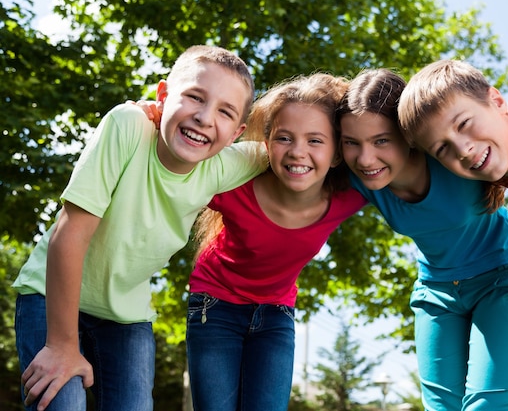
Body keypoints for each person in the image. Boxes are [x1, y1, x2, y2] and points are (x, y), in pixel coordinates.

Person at [336, 68, 508, 411]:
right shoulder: (371, 174)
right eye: (353, 143)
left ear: (407, 137)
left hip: (501, 277)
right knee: (441, 406)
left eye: (381, 140)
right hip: (436, 290)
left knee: (487, 405)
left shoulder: (457, 150)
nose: (366, 158)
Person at [12, 45, 268, 411]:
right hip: (50, 295)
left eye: (225, 112)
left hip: (125, 316)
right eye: (194, 97)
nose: (205, 117)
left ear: (236, 133)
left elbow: (295, 149)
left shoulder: (223, 166)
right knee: (62, 401)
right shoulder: (128, 126)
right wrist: (62, 346)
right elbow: (70, 233)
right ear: (162, 96)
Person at [138, 73, 367, 410]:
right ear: (267, 141)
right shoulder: (232, 186)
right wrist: (144, 119)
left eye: (315, 141)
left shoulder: (349, 196)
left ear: (336, 153)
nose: (297, 152)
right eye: (284, 138)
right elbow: (169, 168)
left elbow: (401, 162)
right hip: (214, 307)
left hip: (276, 314)